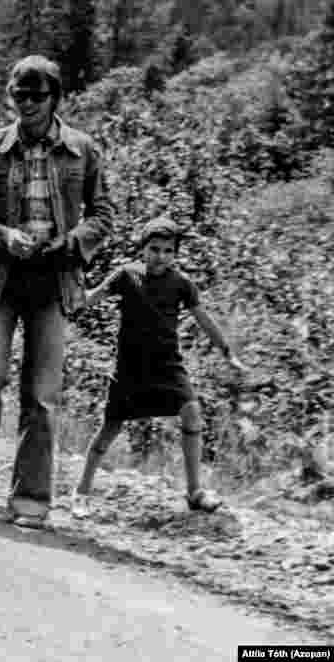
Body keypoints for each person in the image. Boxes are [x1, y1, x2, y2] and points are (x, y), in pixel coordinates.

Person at [0, 55, 115, 527]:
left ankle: (32, 500)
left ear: (55, 97)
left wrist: (71, 244)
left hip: (54, 279)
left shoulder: (83, 150)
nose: (26, 102)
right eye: (18, 93)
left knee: (42, 395)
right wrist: (3, 235)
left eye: (36, 94)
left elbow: (102, 214)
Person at [70, 218, 247, 517]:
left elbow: (204, 319)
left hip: (167, 365)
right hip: (129, 368)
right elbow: (89, 298)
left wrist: (228, 352)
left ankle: (194, 492)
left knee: (191, 411)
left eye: (168, 250)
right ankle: (82, 492)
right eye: (154, 249)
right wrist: (65, 293)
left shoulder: (181, 284)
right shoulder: (127, 274)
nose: (160, 256)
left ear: (175, 253)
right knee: (108, 430)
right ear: (142, 249)